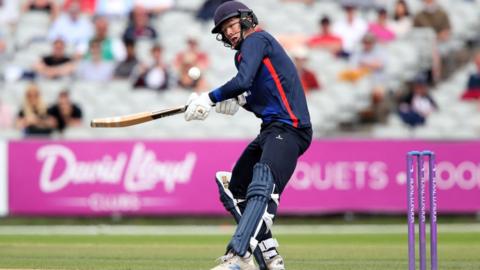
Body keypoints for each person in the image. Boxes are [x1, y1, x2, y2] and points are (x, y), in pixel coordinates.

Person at [184, 2, 312, 270]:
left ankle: (239, 256)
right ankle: (269, 256)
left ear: (246, 20)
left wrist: (210, 97)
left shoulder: (257, 39)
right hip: (271, 129)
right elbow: (258, 93)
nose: (229, 32)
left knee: (263, 179)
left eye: (232, 24)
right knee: (233, 187)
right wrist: (237, 102)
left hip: (290, 128)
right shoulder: (243, 54)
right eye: (224, 29)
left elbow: (242, 82)